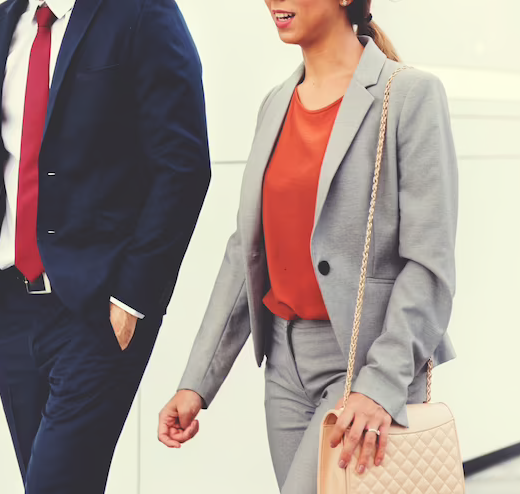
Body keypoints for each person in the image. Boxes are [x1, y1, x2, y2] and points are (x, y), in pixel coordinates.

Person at [157, 0, 458, 492]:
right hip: (283, 368)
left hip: (362, 364)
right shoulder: (275, 103)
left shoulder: (409, 95)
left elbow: (429, 263)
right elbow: (246, 253)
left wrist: (379, 385)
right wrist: (197, 382)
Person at [0, 0, 210, 492]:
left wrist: (133, 297)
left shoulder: (141, 13)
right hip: (9, 308)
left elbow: (183, 165)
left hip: (97, 311)